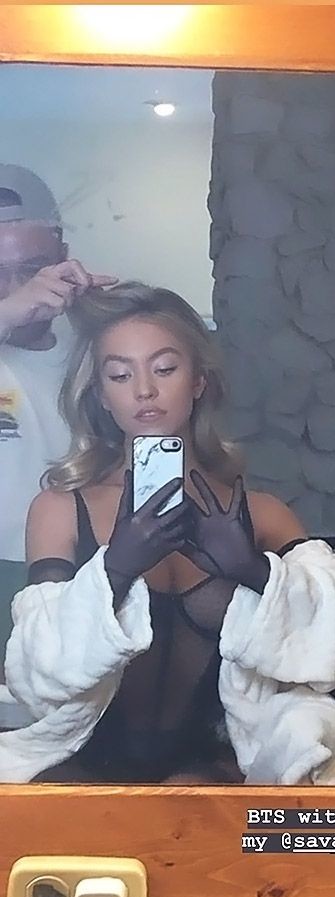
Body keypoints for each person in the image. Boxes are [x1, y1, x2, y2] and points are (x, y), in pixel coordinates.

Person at [1, 282, 335, 784]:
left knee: (204, 793)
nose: (144, 390)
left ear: (199, 381)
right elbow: (33, 667)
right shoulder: (61, 508)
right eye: (120, 374)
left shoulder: (262, 514)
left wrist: (254, 571)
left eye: (164, 369)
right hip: (85, 771)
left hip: (212, 773)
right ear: (100, 394)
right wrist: (115, 569)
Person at [0, 164, 116, 669]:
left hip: (85, 566)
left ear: (64, 259)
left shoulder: (92, 344)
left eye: (31, 269)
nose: (14, 287)